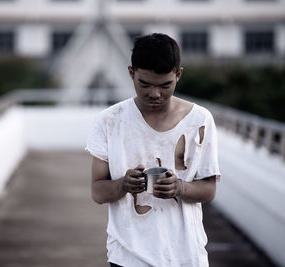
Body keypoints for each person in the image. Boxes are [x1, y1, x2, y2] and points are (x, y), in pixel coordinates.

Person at [86, 33, 221, 267]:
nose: (154, 94)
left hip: (186, 256)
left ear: (178, 75)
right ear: (131, 73)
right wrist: (124, 185)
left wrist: (179, 187)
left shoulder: (199, 120)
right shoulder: (110, 120)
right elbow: (98, 192)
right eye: (144, 84)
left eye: (165, 85)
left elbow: (209, 190)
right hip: (127, 257)